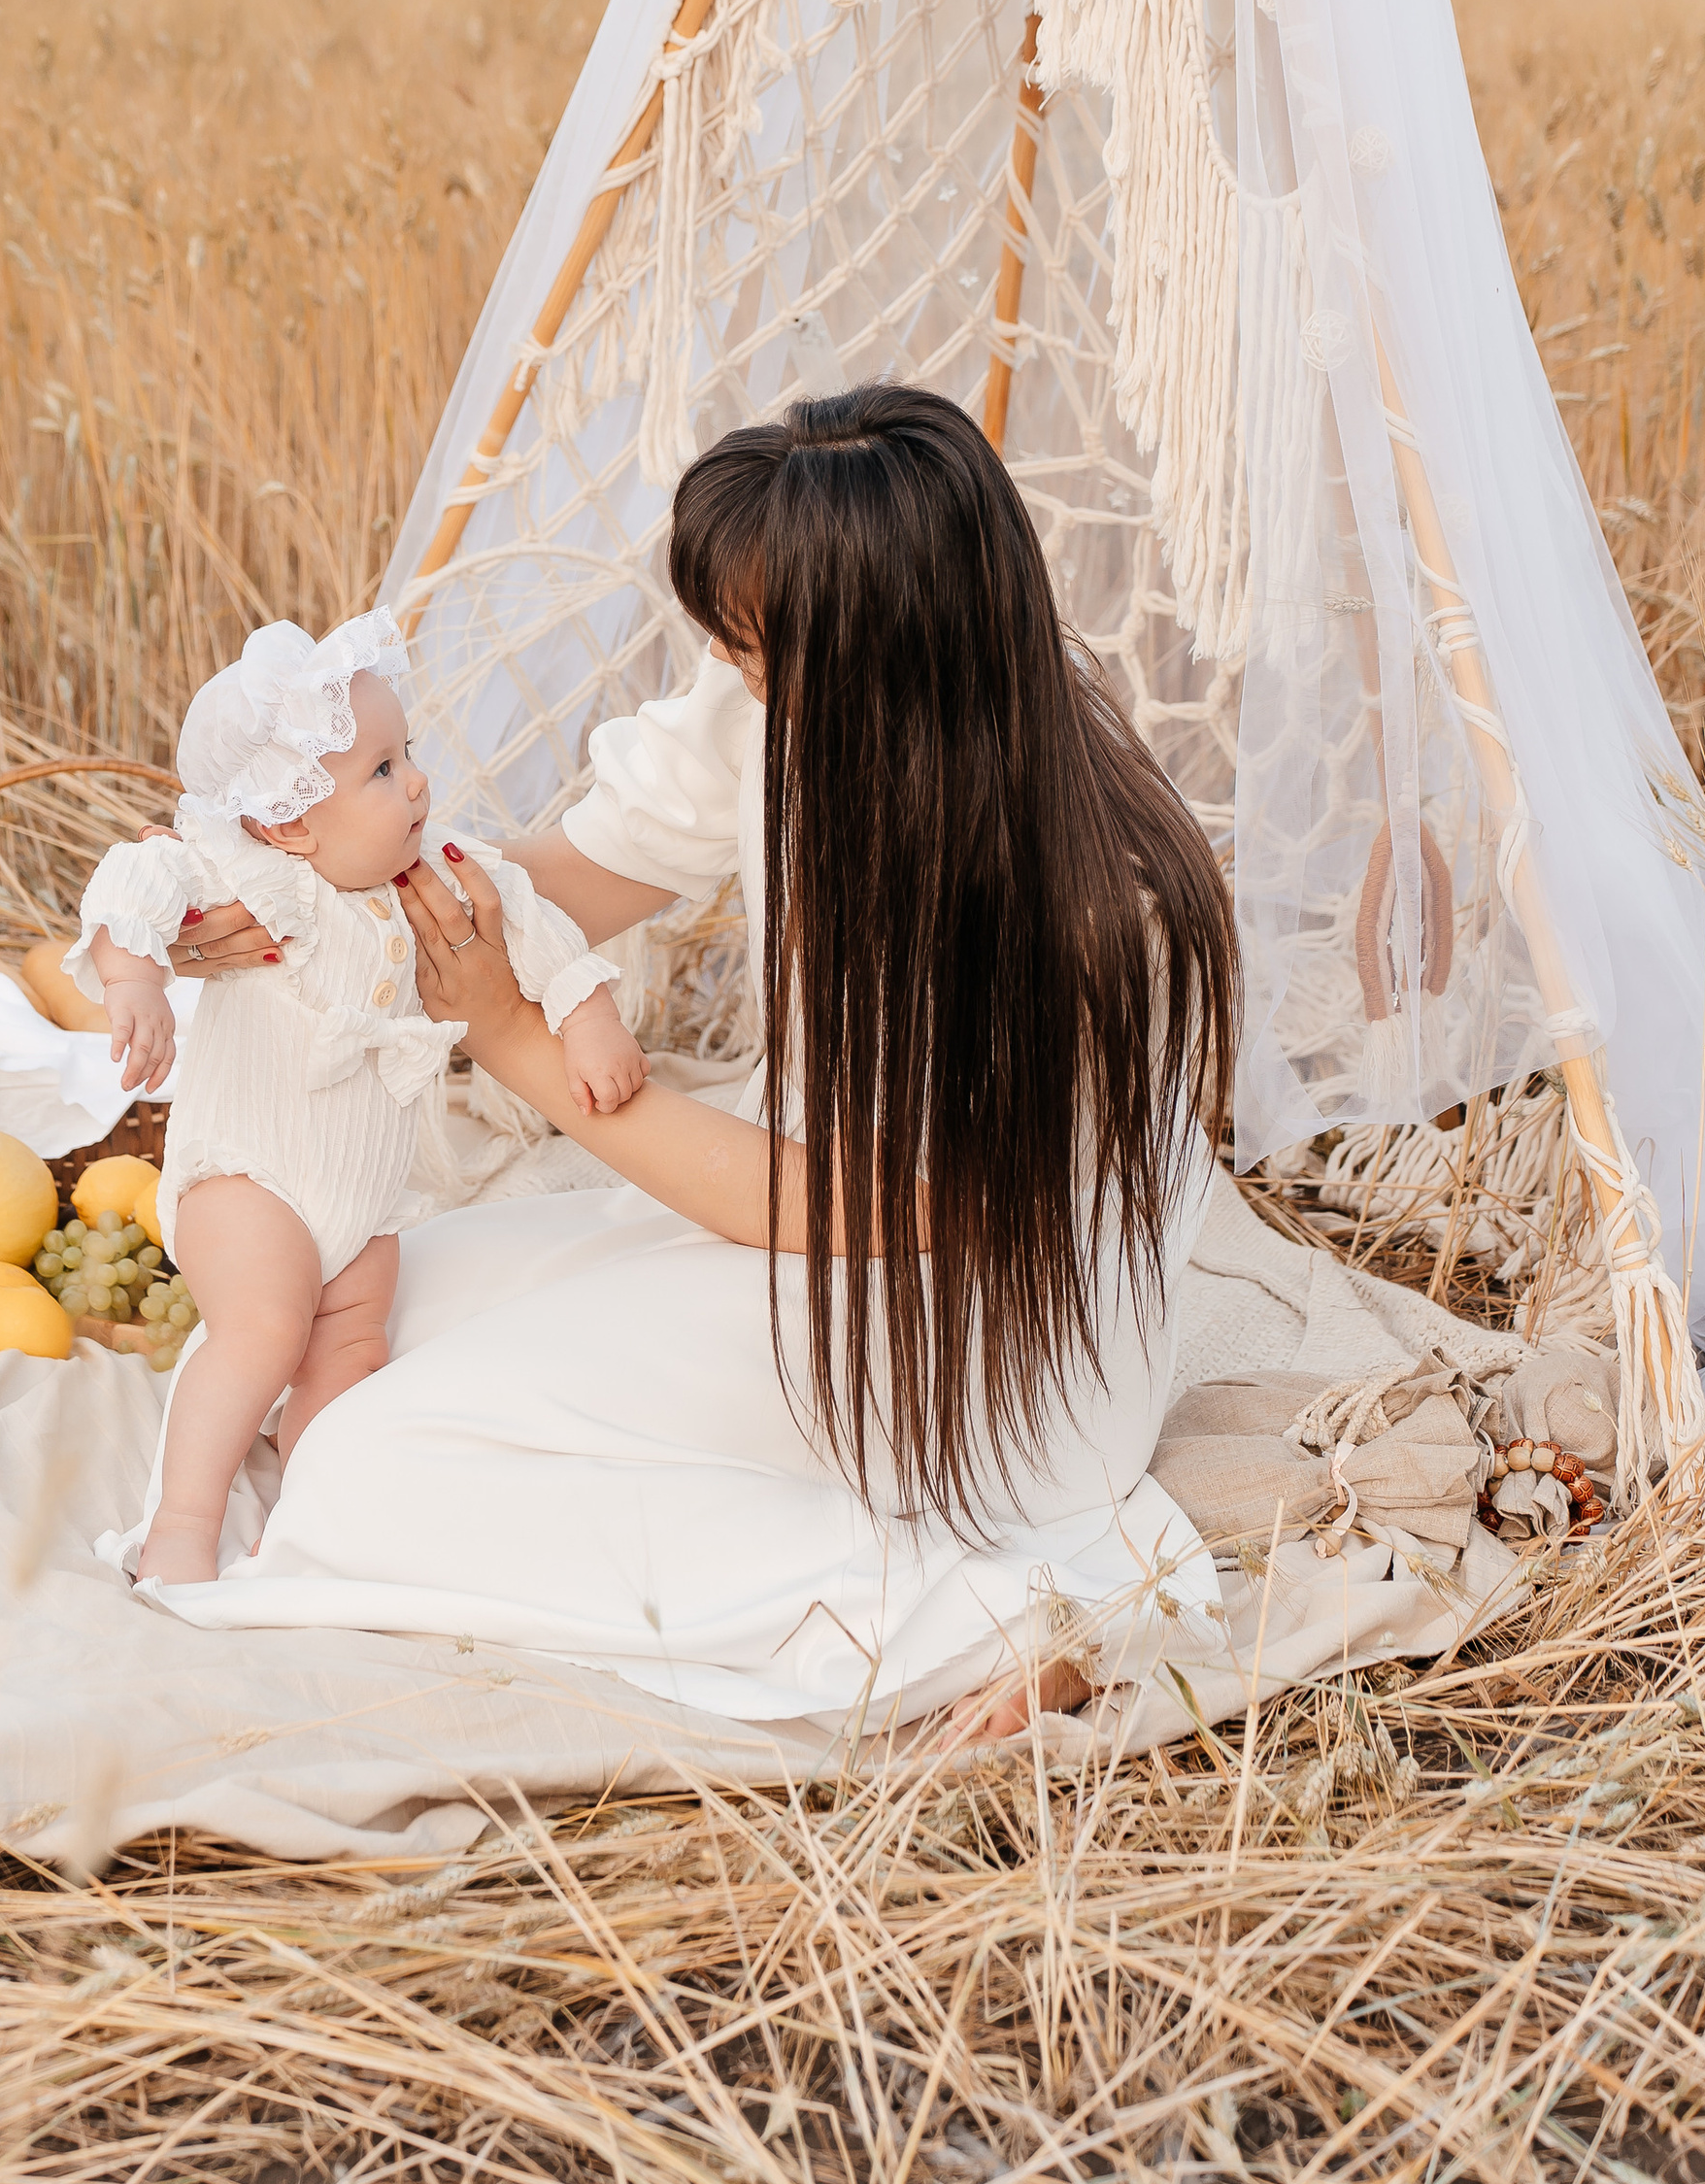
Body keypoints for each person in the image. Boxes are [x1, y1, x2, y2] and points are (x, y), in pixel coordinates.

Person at [115, 386, 1237, 1734]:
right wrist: (321, 907)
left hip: (968, 1334)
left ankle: (1000, 1614)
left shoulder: (1091, 905)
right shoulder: (778, 701)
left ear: (881, 648)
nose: (725, 663)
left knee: (357, 1470)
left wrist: (517, 1043)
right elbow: (574, 878)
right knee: (309, 1342)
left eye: (755, 649)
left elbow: (872, 1211)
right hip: (788, 1233)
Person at [69, 611, 643, 1586]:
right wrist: (134, 983)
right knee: (260, 1331)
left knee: (347, 1352)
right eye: (382, 770)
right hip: (250, 1180)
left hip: (363, 1201)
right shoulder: (254, 873)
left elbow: (529, 918)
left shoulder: (432, 870)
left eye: (406, 754)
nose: (417, 780)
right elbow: (141, 871)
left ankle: (312, 1511)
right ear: (291, 820)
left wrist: (585, 1013)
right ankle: (182, 1520)